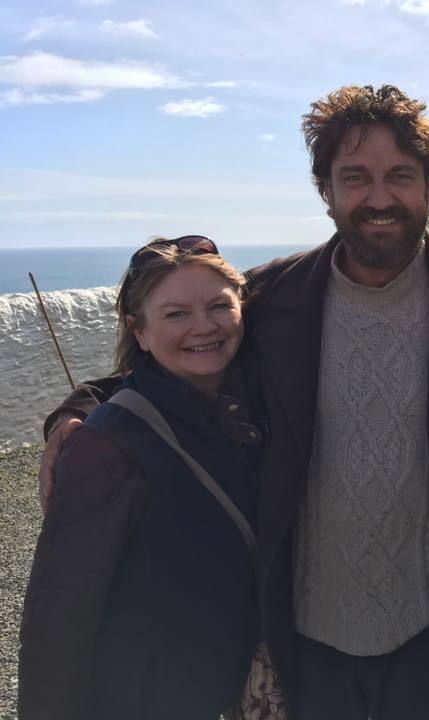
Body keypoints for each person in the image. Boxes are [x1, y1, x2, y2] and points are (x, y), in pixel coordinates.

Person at [37, 85, 429, 720]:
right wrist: (77, 410)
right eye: (355, 177)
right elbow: (181, 358)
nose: (379, 197)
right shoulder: (274, 299)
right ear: (326, 191)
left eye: (400, 175)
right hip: (302, 636)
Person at [19, 237, 261, 719]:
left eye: (218, 306)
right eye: (175, 314)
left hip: (226, 683)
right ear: (139, 330)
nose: (203, 327)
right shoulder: (106, 446)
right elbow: (60, 612)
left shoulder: (246, 403)